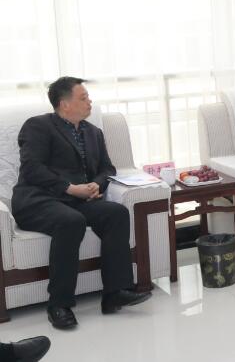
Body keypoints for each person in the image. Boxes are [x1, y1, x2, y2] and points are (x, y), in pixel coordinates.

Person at [11, 77, 151, 330]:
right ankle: (59, 304)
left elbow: (107, 168)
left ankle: (115, 293)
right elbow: (32, 168)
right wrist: (69, 188)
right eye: (83, 98)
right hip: (38, 200)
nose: (89, 102)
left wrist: (97, 184)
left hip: (76, 200)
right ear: (65, 104)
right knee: (71, 221)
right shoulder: (38, 126)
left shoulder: (93, 132)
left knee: (116, 213)